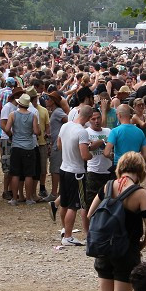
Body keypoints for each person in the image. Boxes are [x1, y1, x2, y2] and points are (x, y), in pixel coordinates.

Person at [86, 152, 146, 291]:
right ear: (140, 170)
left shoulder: (108, 186)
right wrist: (142, 244)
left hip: (104, 249)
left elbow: (89, 214)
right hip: (126, 252)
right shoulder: (140, 193)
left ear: (121, 167)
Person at [54, 105, 92, 246]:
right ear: (88, 118)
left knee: (64, 202)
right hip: (76, 172)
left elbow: (59, 145)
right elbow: (84, 155)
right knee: (74, 205)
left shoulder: (65, 126)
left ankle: (65, 229)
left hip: (64, 168)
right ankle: (68, 236)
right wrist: (91, 153)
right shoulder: (82, 132)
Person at [4, 93, 39, 205]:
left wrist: (12, 135)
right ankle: (28, 198)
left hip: (16, 146)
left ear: (19, 103)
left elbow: (7, 128)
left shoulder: (13, 114)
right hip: (29, 147)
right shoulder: (33, 115)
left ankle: (14, 198)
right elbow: (36, 131)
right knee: (29, 174)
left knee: (15, 173)